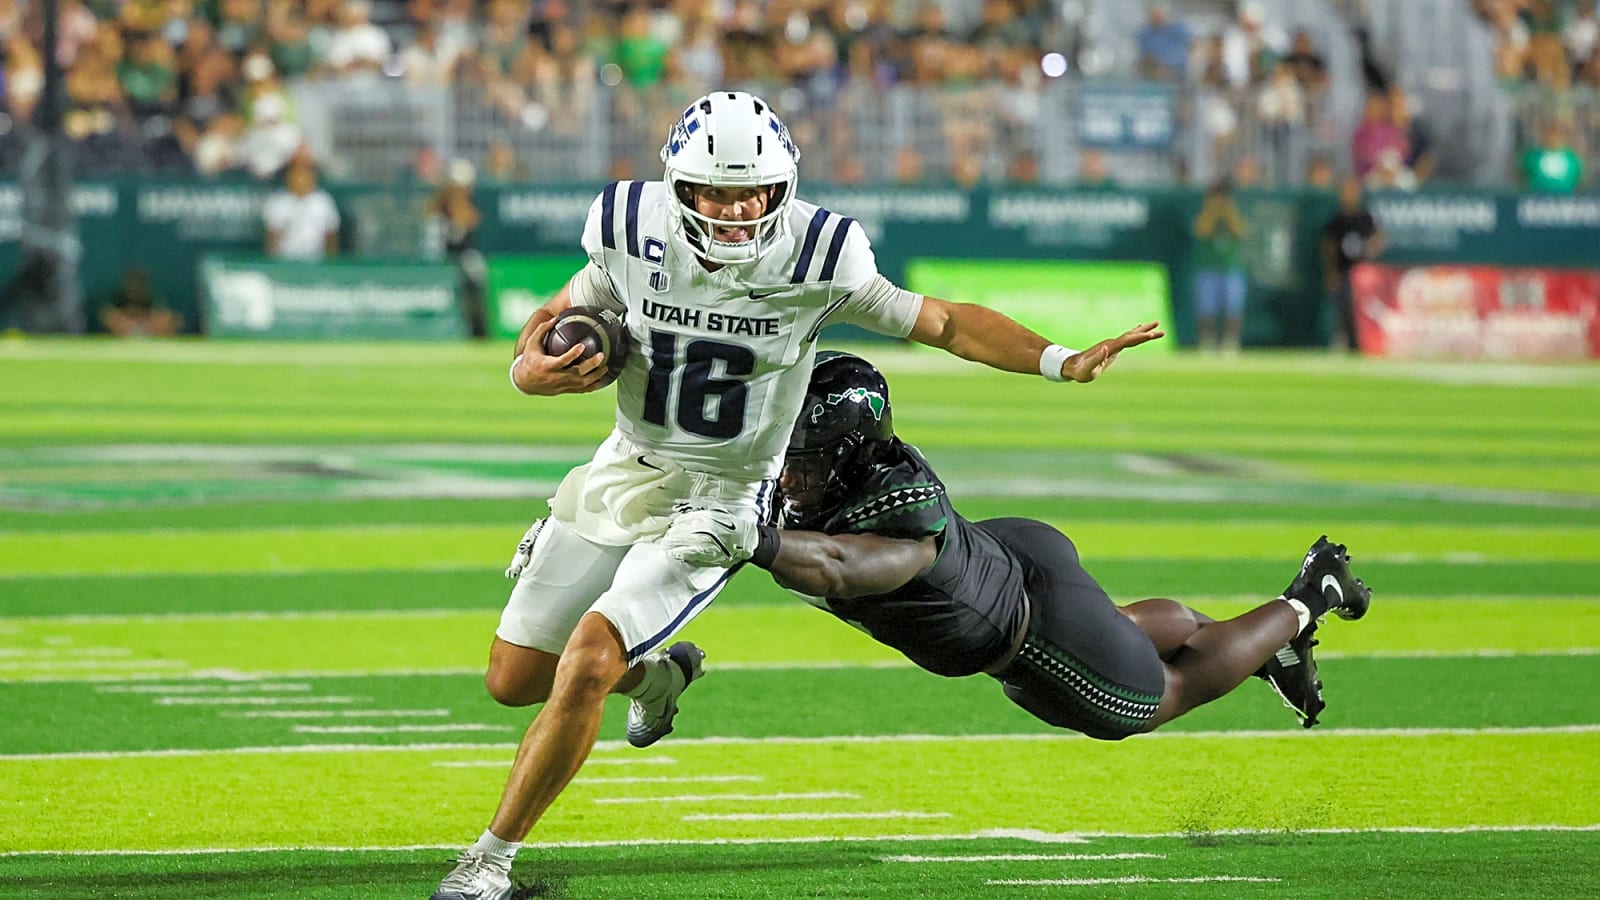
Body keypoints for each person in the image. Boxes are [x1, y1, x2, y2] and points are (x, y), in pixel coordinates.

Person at [430, 90, 1165, 900]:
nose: (741, 208)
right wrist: (527, 364)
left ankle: (488, 861)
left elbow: (945, 323)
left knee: (589, 659)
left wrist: (1060, 359)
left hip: (724, 499)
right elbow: (563, 310)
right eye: (718, 190)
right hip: (627, 463)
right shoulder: (628, 228)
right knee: (514, 679)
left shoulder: (821, 255)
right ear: (678, 186)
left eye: (757, 190)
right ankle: (659, 679)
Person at [662, 352, 1372, 743]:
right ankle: (1260, 642)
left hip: (1029, 624)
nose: (790, 472)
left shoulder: (898, 517)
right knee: (1117, 632)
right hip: (1017, 567)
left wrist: (752, 537)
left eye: (807, 459)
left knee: (1150, 699)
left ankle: (1311, 597)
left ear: (850, 454)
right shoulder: (843, 469)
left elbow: (844, 568)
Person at [1320, 176, 1385, 352]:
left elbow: (1379, 237)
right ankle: (1344, 341)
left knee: (1362, 312)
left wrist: (1371, 249)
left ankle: (1361, 343)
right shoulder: (1337, 220)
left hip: (1362, 276)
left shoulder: (1365, 217)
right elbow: (1329, 247)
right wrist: (1331, 272)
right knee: (1343, 310)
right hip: (1343, 272)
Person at [1191, 177, 1248, 353]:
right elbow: (1202, 230)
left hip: (1231, 268)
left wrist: (1228, 211)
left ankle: (1231, 343)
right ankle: (1207, 342)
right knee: (1207, 309)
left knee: (1233, 308)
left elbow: (1240, 232)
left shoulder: (1233, 213)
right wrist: (1214, 210)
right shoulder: (1206, 213)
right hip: (1209, 268)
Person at [262, 157, 340, 262]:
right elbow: (272, 238)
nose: (300, 179)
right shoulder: (278, 201)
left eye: (305, 175)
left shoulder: (323, 201)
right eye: (296, 175)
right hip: (286, 261)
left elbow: (330, 236)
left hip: (317, 261)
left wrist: (329, 263)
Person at [99, 267, 182, 337]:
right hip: (125, 329)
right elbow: (107, 314)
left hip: (149, 328)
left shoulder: (152, 296)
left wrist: (146, 324)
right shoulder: (119, 296)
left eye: (138, 282)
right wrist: (130, 324)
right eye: (132, 281)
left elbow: (172, 319)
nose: (135, 286)